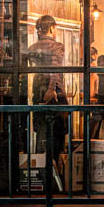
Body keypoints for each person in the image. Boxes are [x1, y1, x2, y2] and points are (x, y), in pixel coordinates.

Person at [25, 15, 69, 161]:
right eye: (55, 28)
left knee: (41, 130)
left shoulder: (32, 48)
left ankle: (40, 165)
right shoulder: (57, 46)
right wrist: (51, 89)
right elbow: (55, 69)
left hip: (37, 90)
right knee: (57, 132)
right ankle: (55, 167)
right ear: (51, 28)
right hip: (54, 92)